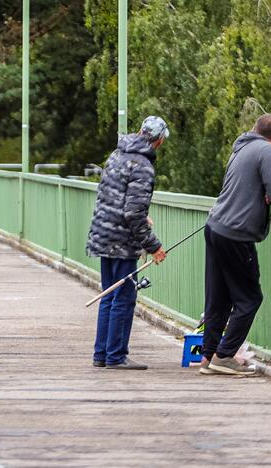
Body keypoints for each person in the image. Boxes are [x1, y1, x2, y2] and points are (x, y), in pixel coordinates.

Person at [201, 114, 271, 375]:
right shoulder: (268, 150)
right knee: (249, 298)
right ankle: (224, 356)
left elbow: (253, 189)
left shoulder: (242, 147)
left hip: (215, 226)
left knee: (219, 297)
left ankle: (208, 356)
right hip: (236, 233)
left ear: (255, 129)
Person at [86, 116, 169, 370]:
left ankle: (102, 354)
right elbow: (132, 213)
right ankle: (116, 356)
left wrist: (141, 216)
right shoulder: (143, 165)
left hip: (103, 233)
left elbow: (114, 197)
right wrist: (153, 246)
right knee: (123, 297)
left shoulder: (117, 154)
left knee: (109, 295)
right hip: (122, 241)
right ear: (159, 140)